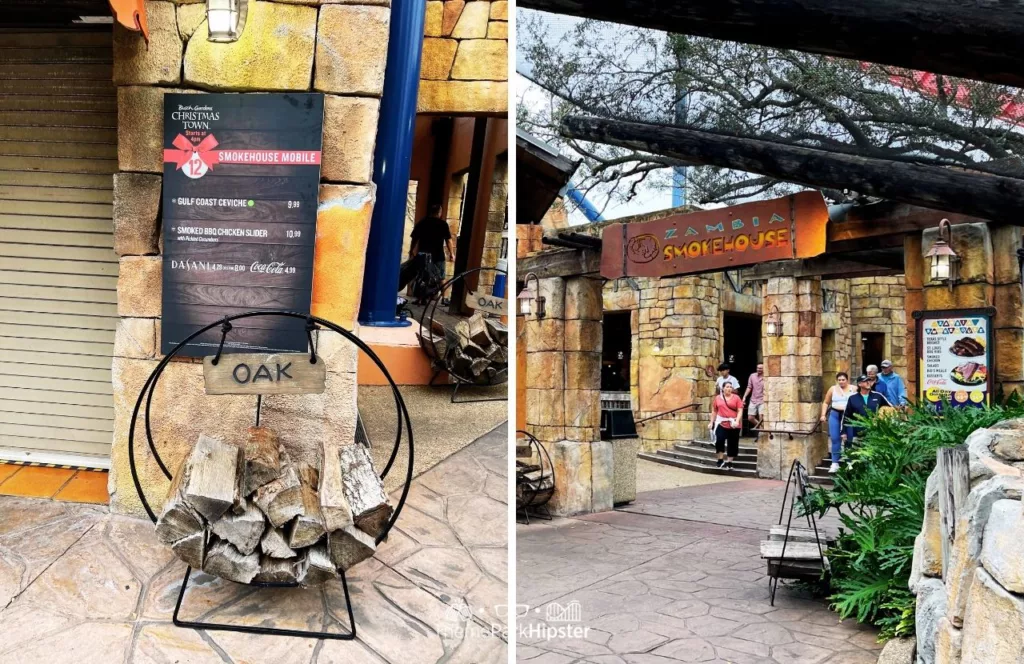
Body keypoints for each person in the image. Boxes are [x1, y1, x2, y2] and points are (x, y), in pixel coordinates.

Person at [840, 374, 892, 452]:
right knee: (857, 459)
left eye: (869, 380)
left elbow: (890, 409)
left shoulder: (878, 396)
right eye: (866, 381)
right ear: (859, 384)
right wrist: (843, 432)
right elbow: (846, 416)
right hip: (858, 434)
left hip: (876, 435)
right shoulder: (852, 398)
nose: (869, 382)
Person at [819, 372, 857, 473]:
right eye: (839, 380)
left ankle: (849, 462)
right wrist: (823, 415)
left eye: (843, 380)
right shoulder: (832, 389)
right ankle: (835, 463)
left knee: (849, 439)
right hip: (835, 414)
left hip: (848, 416)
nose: (841, 382)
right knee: (835, 438)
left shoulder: (853, 389)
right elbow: (826, 402)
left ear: (847, 380)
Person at [709, 381, 744, 469]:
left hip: (733, 424)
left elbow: (740, 410)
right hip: (721, 422)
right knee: (719, 440)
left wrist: (737, 420)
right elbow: (714, 411)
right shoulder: (717, 398)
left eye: (730, 387)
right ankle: (720, 460)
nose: (729, 388)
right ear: (723, 388)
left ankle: (729, 461)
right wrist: (711, 422)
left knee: (732, 443)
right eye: (727, 387)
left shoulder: (736, 398)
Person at [742, 363, 765, 428]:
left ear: (764, 369)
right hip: (753, 399)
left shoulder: (766, 377)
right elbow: (749, 387)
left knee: (761, 417)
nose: (759, 369)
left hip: (762, 400)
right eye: (758, 368)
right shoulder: (752, 376)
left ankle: (762, 432)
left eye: (760, 368)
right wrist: (744, 396)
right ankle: (762, 428)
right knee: (750, 417)